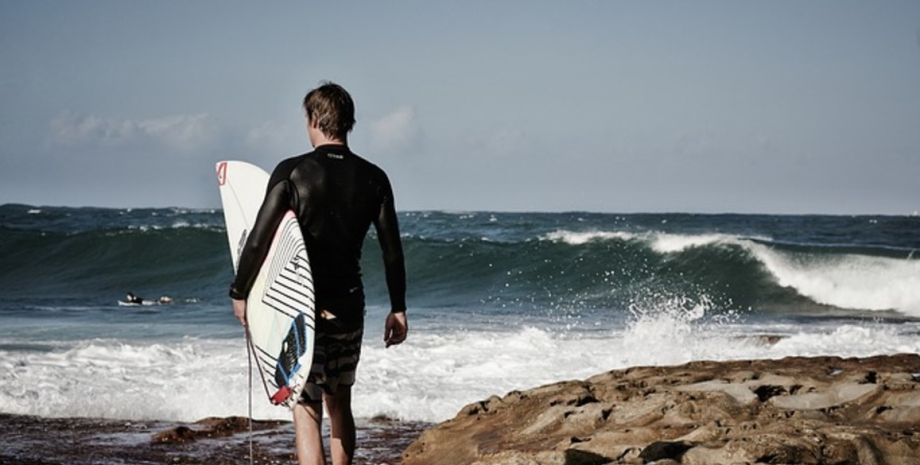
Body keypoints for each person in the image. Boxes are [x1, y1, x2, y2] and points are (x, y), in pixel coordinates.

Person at [229, 81, 408, 465]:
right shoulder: (375, 177)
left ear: (314, 119)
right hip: (348, 308)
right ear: (348, 122)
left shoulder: (293, 171)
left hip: (301, 310)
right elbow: (392, 250)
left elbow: (259, 241)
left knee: (306, 409)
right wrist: (398, 307)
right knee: (340, 403)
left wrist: (240, 292)